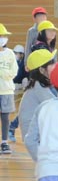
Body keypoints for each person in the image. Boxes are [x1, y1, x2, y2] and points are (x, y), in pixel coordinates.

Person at [18, 49, 57, 141]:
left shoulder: (38, 84)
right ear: (42, 70)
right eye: (52, 64)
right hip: (34, 136)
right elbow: (56, 106)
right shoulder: (38, 86)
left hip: (36, 132)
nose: (55, 66)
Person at [0, 24, 18, 154]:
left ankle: (4, 142)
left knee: (5, 117)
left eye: (4, 36)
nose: (3, 38)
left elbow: (14, 71)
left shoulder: (10, 53)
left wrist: (3, 73)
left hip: (6, 90)